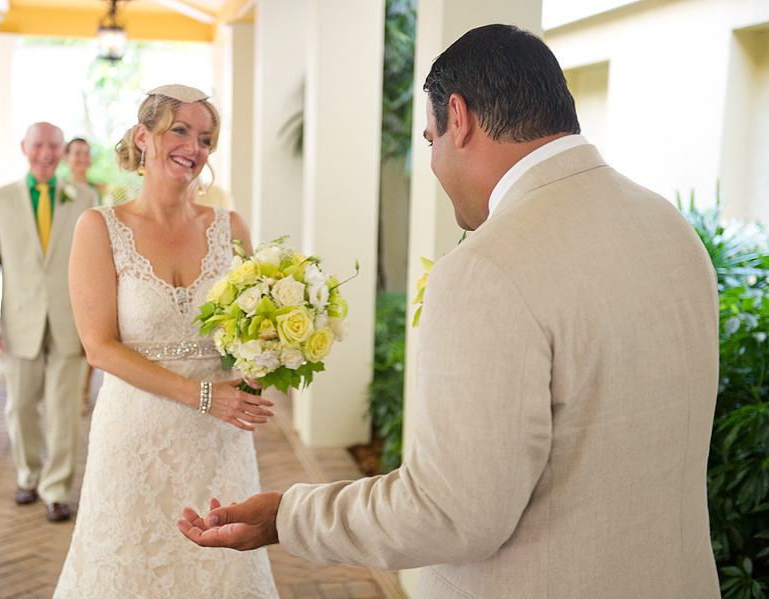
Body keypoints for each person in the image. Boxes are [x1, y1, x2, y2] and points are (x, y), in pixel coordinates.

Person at [178, 24, 722, 598]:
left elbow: (452, 511)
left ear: (457, 118)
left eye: (430, 137)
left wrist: (287, 515)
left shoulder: (486, 269)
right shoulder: (669, 226)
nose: (433, 163)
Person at [52, 85, 279, 598]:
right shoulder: (99, 228)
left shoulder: (231, 227)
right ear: (143, 137)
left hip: (219, 441)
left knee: (220, 572)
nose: (193, 148)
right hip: (134, 436)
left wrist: (266, 361)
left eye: (205, 138)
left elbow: (254, 325)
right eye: (179, 130)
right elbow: (100, 347)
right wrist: (203, 395)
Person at [0, 122, 97, 523]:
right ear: (25, 148)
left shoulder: (85, 198)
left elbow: (97, 268)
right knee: (20, 407)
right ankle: (27, 475)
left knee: (65, 413)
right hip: (17, 323)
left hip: (70, 325)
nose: (47, 153)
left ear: (63, 152)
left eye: (54, 146)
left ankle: (56, 490)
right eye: (39, 145)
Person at [63, 136, 102, 415]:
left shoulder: (99, 190)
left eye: (86, 153)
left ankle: (85, 390)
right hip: (66, 265)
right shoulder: (60, 191)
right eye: (77, 153)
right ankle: (71, 391)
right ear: (67, 157)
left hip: (95, 265)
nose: (82, 158)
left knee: (90, 335)